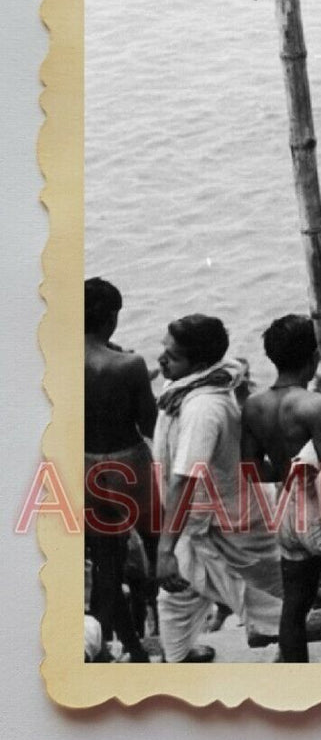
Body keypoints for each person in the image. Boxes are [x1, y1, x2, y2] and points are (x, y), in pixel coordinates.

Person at [153, 314, 284, 663]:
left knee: (269, 593)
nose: (161, 360)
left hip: (223, 521)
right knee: (177, 594)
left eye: (172, 355)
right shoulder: (186, 385)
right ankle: (179, 656)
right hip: (200, 521)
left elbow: (184, 479)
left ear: (197, 363)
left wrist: (164, 549)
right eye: (163, 350)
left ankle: (292, 647)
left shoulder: (203, 408)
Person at [241, 314, 321, 662]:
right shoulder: (315, 405)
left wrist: (286, 470)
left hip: (283, 510)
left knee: (295, 604)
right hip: (316, 510)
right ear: (314, 358)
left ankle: (297, 685)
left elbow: (250, 470)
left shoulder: (253, 405)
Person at [83, 277, 157, 663]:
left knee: (107, 566)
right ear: (111, 318)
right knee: (158, 550)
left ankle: (125, 647)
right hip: (128, 465)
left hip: (85, 466)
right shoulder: (129, 364)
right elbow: (149, 424)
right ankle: (167, 637)